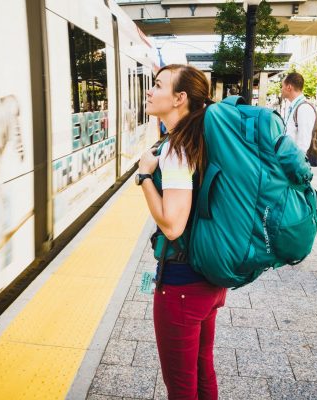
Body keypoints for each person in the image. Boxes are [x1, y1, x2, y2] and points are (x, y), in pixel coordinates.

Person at [136, 64, 227, 399]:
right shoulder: (200, 138)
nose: (149, 90)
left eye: (157, 85)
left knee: (181, 386)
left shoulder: (176, 149)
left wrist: (145, 177)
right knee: (203, 370)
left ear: (179, 98)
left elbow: (173, 226)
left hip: (182, 287)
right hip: (208, 281)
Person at [281, 72, 315, 152]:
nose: (281, 89)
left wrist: (295, 163)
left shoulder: (304, 108)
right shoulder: (294, 106)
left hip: (294, 159)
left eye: (282, 86)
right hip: (288, 156)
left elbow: (304, 143)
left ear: (289, 87)